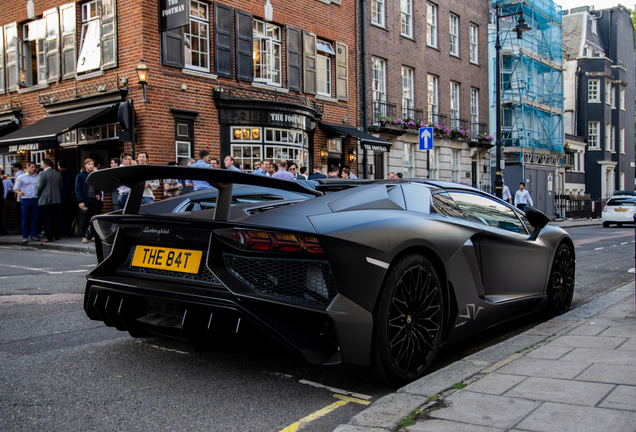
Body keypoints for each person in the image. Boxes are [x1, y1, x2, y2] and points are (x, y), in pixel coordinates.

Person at [75, 158, 101, 243]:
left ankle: (93, 235)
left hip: (93, 200)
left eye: (92, 164)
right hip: (85, 200)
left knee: (94, 218)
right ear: (85, 165)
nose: (91, 166)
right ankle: (84, 236)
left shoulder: (95, 175)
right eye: (89, 164)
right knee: (84, 217)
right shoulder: (81, 176)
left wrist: (98, 193)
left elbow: (98, 185)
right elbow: (78, 189)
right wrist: (80, 201)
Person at [36, 159, 62, 242]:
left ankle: (49, 237)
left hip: (45, 199)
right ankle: (56, 235)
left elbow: (40, 187)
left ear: (44, 164)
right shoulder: (58, 174)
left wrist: (38, 195)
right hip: (56, 199)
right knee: (55, 218)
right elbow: (60, 186)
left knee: (46, 219)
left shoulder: (43, 173)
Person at [14, 162, 40, 243]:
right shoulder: (21, 177)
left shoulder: (38, 177)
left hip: (35, 199)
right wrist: (19, 193)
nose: (34, 169)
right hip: (25, 199)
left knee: (35, 218)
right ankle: (25, 235)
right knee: (25, 218)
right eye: (32, 167)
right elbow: (16, 188)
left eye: (35, 167)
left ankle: (33, 234)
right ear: (27, 167)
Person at [57, 160, 75, 237]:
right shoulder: (71, 175)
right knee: (68, 215)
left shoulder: (59, 175)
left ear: (59, 166)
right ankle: (68, 230)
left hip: (60, 196)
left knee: (61, 215)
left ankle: (62, 231)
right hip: (69, 196)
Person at [12, 162, 23, 235]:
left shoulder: (18, 174)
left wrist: (15, 194)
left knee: (18, 212)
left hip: (19, 196)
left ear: (17, 168)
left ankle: (21, 229)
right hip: (20, 196)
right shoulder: (21, 173)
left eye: (13, 167)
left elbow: (16, 187)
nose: (12, 169)